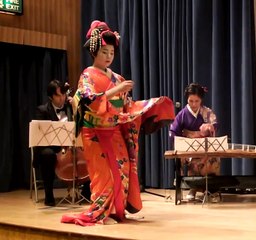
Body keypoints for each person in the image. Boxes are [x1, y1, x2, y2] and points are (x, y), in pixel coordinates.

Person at [61, 20, 174, 226]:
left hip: (114, 131)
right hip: (94, 132)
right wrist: (115, 91)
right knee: (103, 175)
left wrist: (147, 108)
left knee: (120, 172)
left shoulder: (117, 77)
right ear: (94, 51)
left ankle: (114, 211)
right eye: (104, 51)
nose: (108, 56)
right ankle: (100, 213)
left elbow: (126, 107)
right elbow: (86, 100)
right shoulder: (87, 74)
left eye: (111, 52)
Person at [33, 80, 91, 206]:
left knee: (91, 150)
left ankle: (87, 191)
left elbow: (85, 119)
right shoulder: (42, 110)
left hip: (71, 146)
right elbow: (40, 137)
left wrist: (76, 106)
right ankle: (49, 195)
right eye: (58, 95)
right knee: (47, 155)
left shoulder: (71, 107)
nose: (62, 98)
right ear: (50, 97)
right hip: (51, 147)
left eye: (63, 95)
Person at [169, 83, 220, 201]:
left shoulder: (206, 112)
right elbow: (173, 131)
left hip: (206, 147)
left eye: (197, 101)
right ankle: (193, 188)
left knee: (212, 159)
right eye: (191, 101)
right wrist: (180, 147)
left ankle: (211, 189)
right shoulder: (182, 114)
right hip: (189, 148)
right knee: (192, 161)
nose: (193, 104)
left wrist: (209, 126)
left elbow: (215, 124)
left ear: (201, 100)